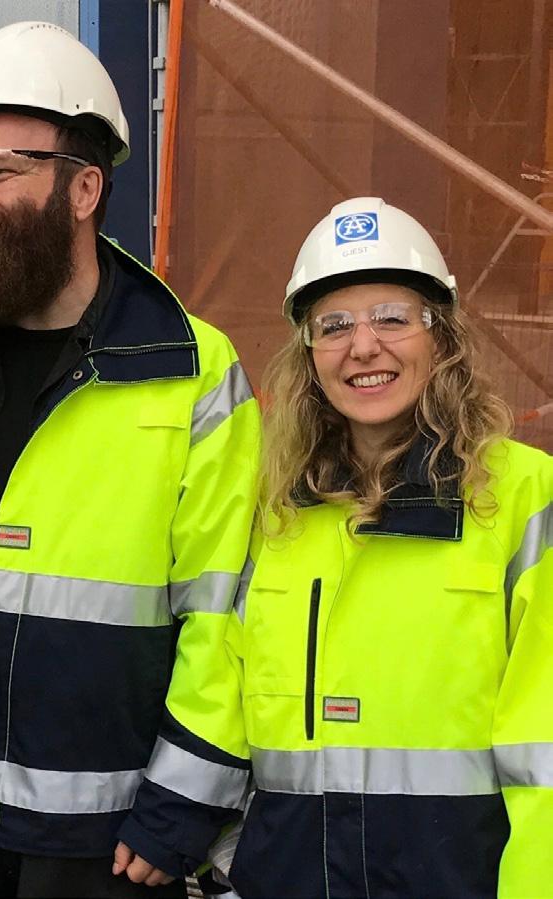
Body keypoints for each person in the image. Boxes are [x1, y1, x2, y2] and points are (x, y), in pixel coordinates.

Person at [0, 21, 260, 899]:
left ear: (84, 188)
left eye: (2, 170)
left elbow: (227, 619)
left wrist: (181, 806)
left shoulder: (192, 374)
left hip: (94, 846)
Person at [117, 197, 553, 898]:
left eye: (392, 318)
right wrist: (176, 813)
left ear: (440, 338)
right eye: (335, 326)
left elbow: (545, 744)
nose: (363, 346)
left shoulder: (525, 498)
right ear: (308, 352)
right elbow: (223, 676)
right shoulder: (278, 507)